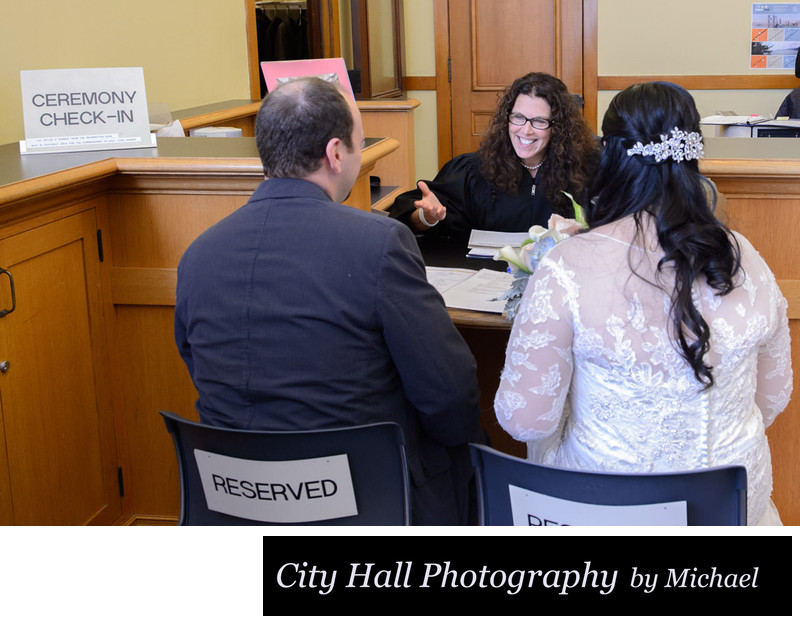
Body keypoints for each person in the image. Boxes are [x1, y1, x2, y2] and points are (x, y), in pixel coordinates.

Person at [174, 77, 482, 526]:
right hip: (361, 497)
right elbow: (450, 398)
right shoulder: (379, 244)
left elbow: (196, 365)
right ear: (336, 154)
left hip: (234, 500)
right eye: (361, 144)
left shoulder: (198, 254)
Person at [494, 81, 792, 525]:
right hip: (731, 512)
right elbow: (773, 395)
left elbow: (525, 420)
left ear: (610, 157)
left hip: (610, 512)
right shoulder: (746, 257)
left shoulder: (568, 267)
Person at [389, 72, 598, 236]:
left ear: (558, 127)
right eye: (518, 117)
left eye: (540, 121)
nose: (526, 130)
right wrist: (426, 217)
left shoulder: (586, 170)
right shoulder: (474, 171)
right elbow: (411, 219)